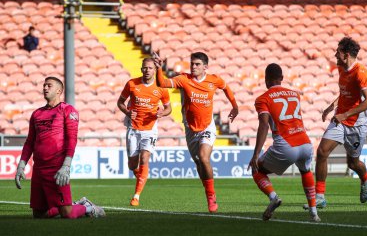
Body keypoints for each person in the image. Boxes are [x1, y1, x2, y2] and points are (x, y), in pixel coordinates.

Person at [154, 51, 239, 213]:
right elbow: (163, 83)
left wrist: (235, 106)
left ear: (205, 67)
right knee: (199, 163)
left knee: (203, 157)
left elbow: (226, 87)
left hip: (207, 127)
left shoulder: (214, 80)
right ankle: (208, 191)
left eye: (197, 64)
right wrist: (159, 68)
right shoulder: (183, 79)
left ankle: (211, 196)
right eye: (192, 64)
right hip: (191, 129)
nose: (193, 66)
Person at [15, 76, 105, 218]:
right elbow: (29, 142)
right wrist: (21, 165)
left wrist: (66, 166)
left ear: (59, 91)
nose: (44, 88)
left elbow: (71, 139)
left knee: (67, 214)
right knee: (39, 215)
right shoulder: (36, 113)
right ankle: (75, 205)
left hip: (57, 167)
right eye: (44, 85)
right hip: (38, 168)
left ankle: (87, 208)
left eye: (49, 85)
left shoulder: (68, 110)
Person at [248, 63, 320, 222]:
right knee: (306, 172)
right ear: (282, 78)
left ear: (266, 80)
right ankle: (314, 213)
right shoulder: (295, 94)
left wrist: (256, 154)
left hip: (286, 145)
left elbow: (264, 125)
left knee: (257, 170)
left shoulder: (262, 99)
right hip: (305, 143)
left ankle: (274, 197)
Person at [313, 37, 367, 208]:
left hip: (356, 124)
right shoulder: (341, 68)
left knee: (352, 163)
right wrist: (330, 107)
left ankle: (365, 178)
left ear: (346, 54)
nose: (335, 55)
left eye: (337, 52)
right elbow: (344, 93)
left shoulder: (361, 72)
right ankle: (319, 197)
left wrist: (346, 114)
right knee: (322, 151)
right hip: (340, 119)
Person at [117, 58, 172, 206]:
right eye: (145, 68)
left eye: (150, 68)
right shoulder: (132, 84)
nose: (147, 70)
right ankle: (140, 176)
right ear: (141, 69)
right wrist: (128, 112)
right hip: (133, 128)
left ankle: (136, 196)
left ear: (155, 70)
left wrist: (162, 113)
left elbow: (169, 108)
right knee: (132, 164)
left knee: (144, 158)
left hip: (150, 129)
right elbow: (120, 102)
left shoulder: (161, 87)